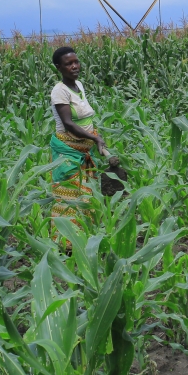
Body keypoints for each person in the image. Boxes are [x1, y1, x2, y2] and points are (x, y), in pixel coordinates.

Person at [49, 46, 108, 247]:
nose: (74, 66)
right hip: (69, 153)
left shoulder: (79, 85)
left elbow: (85, 118)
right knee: (69, 198)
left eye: (76, 62)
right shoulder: (59, 91)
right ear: (59, 67)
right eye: (68, 64)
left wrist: (95, 136)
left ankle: (84, 240)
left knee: (85, 196)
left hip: (84, 151)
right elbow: (69, 124)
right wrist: (96, 140)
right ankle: (66, 245)